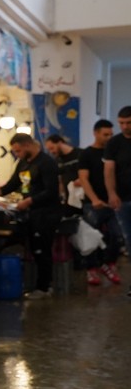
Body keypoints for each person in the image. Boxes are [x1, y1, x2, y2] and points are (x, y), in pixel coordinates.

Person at [0, 133, 62, 299]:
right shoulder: (24, 163)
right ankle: (39, 285)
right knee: (35, 248)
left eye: (18, 151)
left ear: (27, 145)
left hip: (46, 213)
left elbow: (51, 191)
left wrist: (29, 201)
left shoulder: (47, 163)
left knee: (42, 250)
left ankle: (44, 287)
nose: (17, 154)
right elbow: (14, 183)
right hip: (32, 213)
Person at [76, 119, 122, 287]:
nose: (109, 138)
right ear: (96, 133)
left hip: (114, 202)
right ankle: (91, 268)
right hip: (93, 203)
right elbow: (83, 179)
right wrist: (94, 199)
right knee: (91, 238)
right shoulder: (86, 154)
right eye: (105, 135)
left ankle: (108, 264)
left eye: (111, 134)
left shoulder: (116, 152)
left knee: (117, 235)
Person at [103, 105, 131, 296]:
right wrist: (112, 193)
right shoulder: (114, 143)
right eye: (121, 123)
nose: (125, 126)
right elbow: (109, 170)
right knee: (130, 242)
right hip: (124, 199)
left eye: (129, 123)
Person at [44, 133, 81, 199]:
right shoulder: (57, 161)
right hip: (69, 199)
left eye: (52, 148)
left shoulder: (81, 154)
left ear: (60, 143)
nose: (51, 152)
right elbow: (60, 179)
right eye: (49, 150)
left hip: (82, 195)